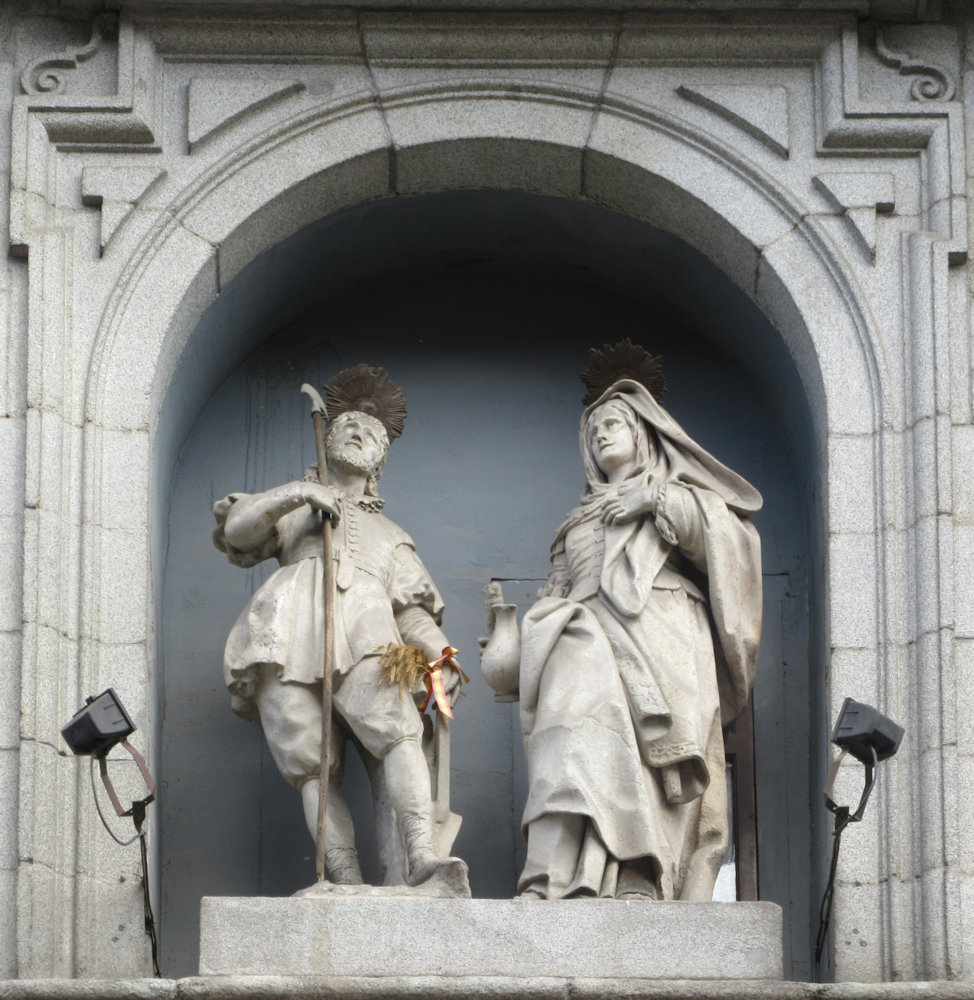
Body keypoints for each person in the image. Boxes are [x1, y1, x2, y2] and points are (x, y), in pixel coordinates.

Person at [514, 345, 762, 901]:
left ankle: (643, 873)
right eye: (594, 429)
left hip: (662, 626)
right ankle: (559, 874)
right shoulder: (573, 523)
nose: (602, 435)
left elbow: (730, 542)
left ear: (644, 433)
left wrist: (653, 501)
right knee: (573, 739)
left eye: (615, 423)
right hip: (580, 633)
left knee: (650, 754)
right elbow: (554, 589)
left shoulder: (679, 496)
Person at [212, 365, 468, 894]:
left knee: (398, 730)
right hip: (284, 630)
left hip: (367, 626)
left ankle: (420, 852)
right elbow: (238, 532)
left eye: (372, 434)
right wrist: (300, 494)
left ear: (378, 463)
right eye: (347, 426)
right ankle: (343, 876)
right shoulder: (294, 508)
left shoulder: (392, 535)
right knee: (311, 761)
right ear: (326, 439)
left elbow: (412, 610)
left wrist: (441, 652)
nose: (359, 433)